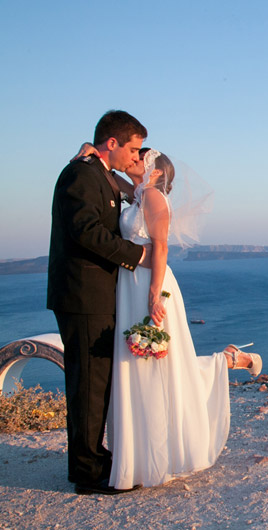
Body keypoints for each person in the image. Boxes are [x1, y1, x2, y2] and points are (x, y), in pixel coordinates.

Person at [105, 148, 262, 490]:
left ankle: (230, 360)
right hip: (130, 284)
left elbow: (160, 247)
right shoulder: (139, 195)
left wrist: (154, 294)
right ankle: (142, 455)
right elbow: (112, 177)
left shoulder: (154, 198)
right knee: (143, 364)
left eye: (140, 159)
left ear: (156, 172)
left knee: (165, 365)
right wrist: (92, 157)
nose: (133, 161)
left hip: (151, 284)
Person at [48, 110, 149, 495]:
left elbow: (127, 191)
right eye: (133, 149)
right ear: (113, 143)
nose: (135, 157)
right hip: (82, 295)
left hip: (95, 295)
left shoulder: (96, 171)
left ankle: (94, 456)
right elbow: (86, 231)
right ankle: (87, 473)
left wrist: (98, 158)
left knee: (98, 383)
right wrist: (137, 256)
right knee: (88, 385)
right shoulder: (79, 175)